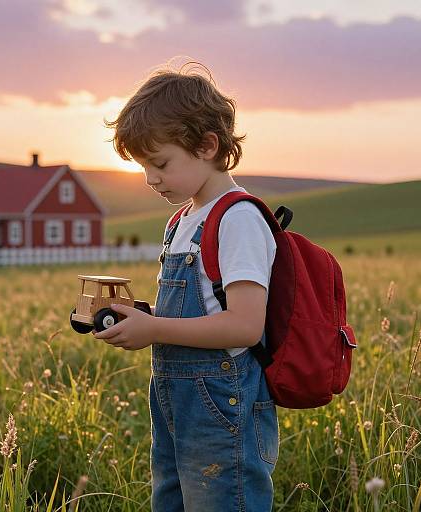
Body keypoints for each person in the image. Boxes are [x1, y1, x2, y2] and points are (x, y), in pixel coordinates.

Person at [98, 61, 279, 511]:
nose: (150, 179)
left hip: (223, 402)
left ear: (206, 146)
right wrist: (141, 319)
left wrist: (154, 330)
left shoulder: (237, 218)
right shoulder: (182, 220)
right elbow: (193, 313)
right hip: (175, 400)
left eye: (160, 163)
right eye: (144, 167)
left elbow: (244, 326)